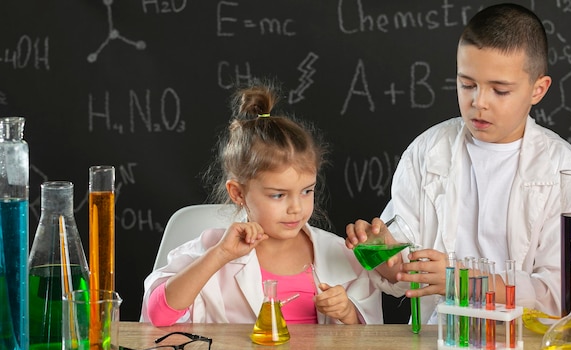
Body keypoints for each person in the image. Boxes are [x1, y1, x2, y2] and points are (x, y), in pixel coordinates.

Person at [345, 3, 571, 324]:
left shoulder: (561, 167)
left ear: (538, 89)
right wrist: (381, 253)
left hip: (529, 343)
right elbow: (402, 266)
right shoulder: (428, 150)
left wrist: (468, 283)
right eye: (467, 84)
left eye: (500, 90)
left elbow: (565, 292)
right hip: (440, 339)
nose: (479, 101)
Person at [140, 82, 404, 326]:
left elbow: (366, 345)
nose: (296, 208)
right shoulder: (212, 250)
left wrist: (347, 312)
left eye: (306, 191)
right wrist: (220, 255)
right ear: (238, 193)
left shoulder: (340, 255)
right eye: (278, 195)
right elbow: (159, 315)